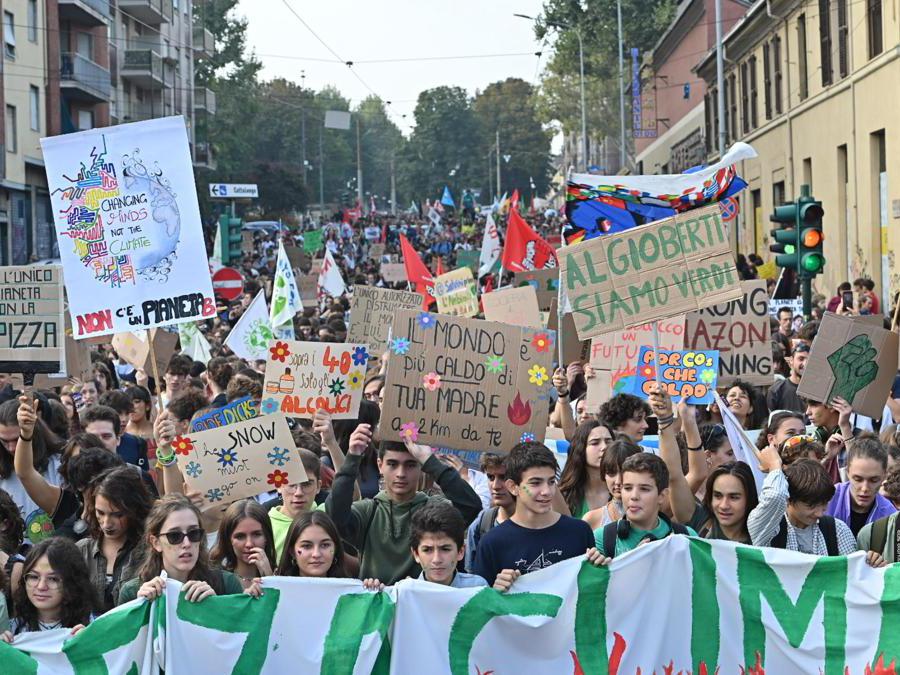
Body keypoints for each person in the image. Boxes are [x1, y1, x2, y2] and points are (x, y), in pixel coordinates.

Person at [326, 427, 481, 585]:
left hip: (423, 603)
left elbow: (470, 505)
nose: (401, 473)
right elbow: (335, 517)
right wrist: (352, 457)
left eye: (410, 465)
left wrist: (430, 462)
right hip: (379, 604)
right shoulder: (368, 511)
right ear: (380, 465)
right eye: (393, 464)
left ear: (421, 467)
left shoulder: (434, 509)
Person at [472, 442, 595, 589]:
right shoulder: (491, 543)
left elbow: (591, 591)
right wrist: (495, 591)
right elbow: (479, 603)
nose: (547, 491)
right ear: (513, 487)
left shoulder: (579, 532)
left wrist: (599, 567)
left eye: (551, 482)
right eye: (535, 483)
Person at [118, 494, 243, 604]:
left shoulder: (227, 584)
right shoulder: (133, 592)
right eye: (174, 536)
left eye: (194, 533)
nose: (186, 543)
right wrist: (139, 610)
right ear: (156, 542)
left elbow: (242, 629)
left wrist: (216, 606)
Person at [747, 450, 860, 556]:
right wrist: (774, 465)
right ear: (789, 499)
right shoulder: (767, 528)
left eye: (824, 503)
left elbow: (853, 572)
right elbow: (776, 496)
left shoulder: (838, 530)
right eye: (811, 505)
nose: (819, 513)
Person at [245, 511, 383, 596]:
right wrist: (255, 599)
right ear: (292, 551)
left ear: (335, 549)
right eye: (306, 546)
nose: (316, 554)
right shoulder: (275, 592)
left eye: (325, 545)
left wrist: (373, 592)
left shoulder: (354, 592)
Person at [77, 466, 152, 611]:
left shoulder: (150, 551)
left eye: (117, 515)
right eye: (100, 512)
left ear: (134, 510)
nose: (107, 523)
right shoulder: (81, 550)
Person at [594, 453, 696, 560]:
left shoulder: (687, 536)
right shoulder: (602, 538)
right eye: (628, 488)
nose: (634, 496)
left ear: (662, 496)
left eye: (644, 489)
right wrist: (633, 561)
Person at [1, 537, 95, 641]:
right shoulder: (11, 630)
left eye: (53, 579)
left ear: (72, 582)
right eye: (34, 577)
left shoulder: (92, 628)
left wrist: (90, 645)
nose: (41, 586)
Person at [0, 397, 64, 541]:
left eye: (17, 439)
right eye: (4, 441)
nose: (12, 448)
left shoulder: (59, 464)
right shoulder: (3, 473)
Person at [826, 435, 895, 537]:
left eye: (873, 480)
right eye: (858, 479)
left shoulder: (889, 515)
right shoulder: (828, 499)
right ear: (847, 472)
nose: (865, 488)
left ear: (884, 476)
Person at [410, 502, 486, 588]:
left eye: (445, 549)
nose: (437, 560)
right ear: (416, 554)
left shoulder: (477, 589)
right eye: (427, 550)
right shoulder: (405, 594)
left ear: (460, 551)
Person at [266, 449, 324, 562]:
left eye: (306, 484)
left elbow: (351, 495)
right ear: (278, 485)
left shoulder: (327, 513)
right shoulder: (264, 525)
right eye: (291, 484)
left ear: (318, 486)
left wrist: (331, 443)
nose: (298, 493)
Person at [464, 453, 515, 573]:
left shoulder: (538, 522)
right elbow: (472, 578)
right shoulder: (482, 522)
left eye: (503, 477)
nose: (496, 486)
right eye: (491, 477)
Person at [210, 499, 276, 590]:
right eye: (240, 536)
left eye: (256, 534)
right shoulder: (216, 580)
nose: (249, 544)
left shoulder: (283, 577)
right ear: (228, 539)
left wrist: (270, 580)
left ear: (266, 537)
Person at [582, 438, 643, 530]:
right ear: (604, 475)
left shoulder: (655, 515)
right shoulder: (591, 520)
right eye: (611, 473)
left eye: (624, 473)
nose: (618, 481)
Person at [558, 421, 614, 518]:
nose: (604, 447)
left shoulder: (624, 490)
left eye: (608, 441)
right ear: (580, 449)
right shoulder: (564, 495)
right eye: (595, 443)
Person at [766, 342, 809, 415]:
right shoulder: (776, 390)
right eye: (801, 359)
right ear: (791, 360)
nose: (805, 363)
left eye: (809, 359)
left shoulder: (818, 390)